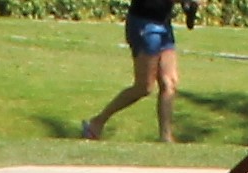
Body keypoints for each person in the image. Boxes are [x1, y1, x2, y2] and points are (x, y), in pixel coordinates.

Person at [81, 0, 195, 145]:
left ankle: (166, 138)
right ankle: (96, 123)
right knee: (144, 87)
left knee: (169, 82)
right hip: (144, 23)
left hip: (163, 24)